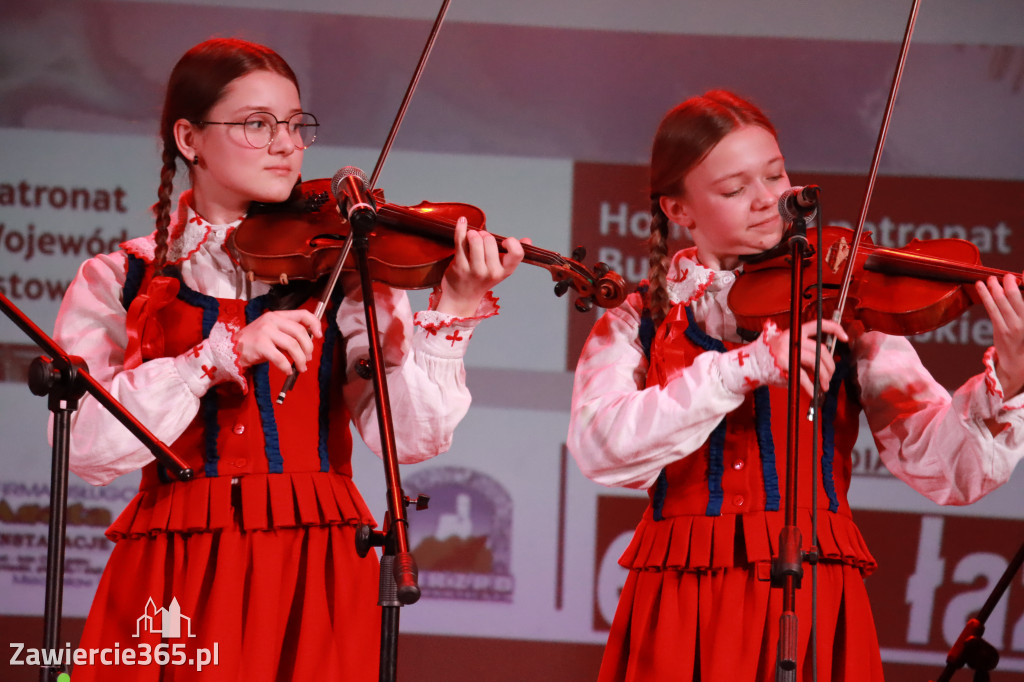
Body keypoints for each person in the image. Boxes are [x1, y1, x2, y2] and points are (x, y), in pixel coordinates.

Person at [53, 38, 526, 680]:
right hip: (177, 560)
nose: (288, 145)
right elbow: (84, 448)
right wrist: (214, 357)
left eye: (296, 125)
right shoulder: (122, 278)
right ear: (189, 138)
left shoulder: (350, 267)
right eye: (257, 124)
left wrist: (455, 314)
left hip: (319, 557)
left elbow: (410, 440)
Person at [566, 90, 1024, 681]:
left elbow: (946, 469)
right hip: (679, 595)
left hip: (813, 589)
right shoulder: (640, 319)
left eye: (776, 174)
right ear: (679, 211)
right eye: (733, 191)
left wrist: (1009, 381)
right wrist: (745, 366)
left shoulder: (842, 303)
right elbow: (602, 449)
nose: (767, 201)